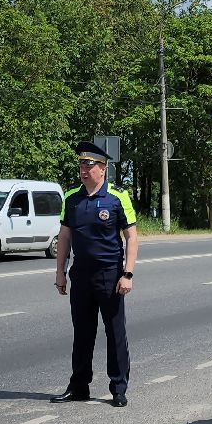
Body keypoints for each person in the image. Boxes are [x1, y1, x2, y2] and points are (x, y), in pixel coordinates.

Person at [52, 142, 139, 407]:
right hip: (81, 275)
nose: (84, 169)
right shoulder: (72, 198)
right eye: (81, 164)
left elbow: (132, 237)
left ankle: (118, 388)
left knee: (114, 333)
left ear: (103, 168)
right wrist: (60, 272)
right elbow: (64, 237)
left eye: (89, 165)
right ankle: (79, 386)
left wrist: (128, 274)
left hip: (110, 274)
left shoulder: (117, 197)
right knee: (83, 333)